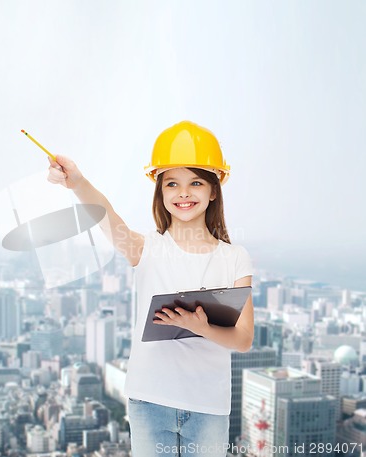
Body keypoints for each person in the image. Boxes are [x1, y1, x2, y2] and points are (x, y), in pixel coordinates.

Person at [47, 120, 254, 457]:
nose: (183, 193)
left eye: (196, 182)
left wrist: (201, 327)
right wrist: (77, 181)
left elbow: (244, 339)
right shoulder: (144, 248)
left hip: (208, 406)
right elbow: (106, 215)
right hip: (149, 401)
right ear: (160, 191)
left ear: (213, 189)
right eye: (171, 183)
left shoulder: (234, 258)